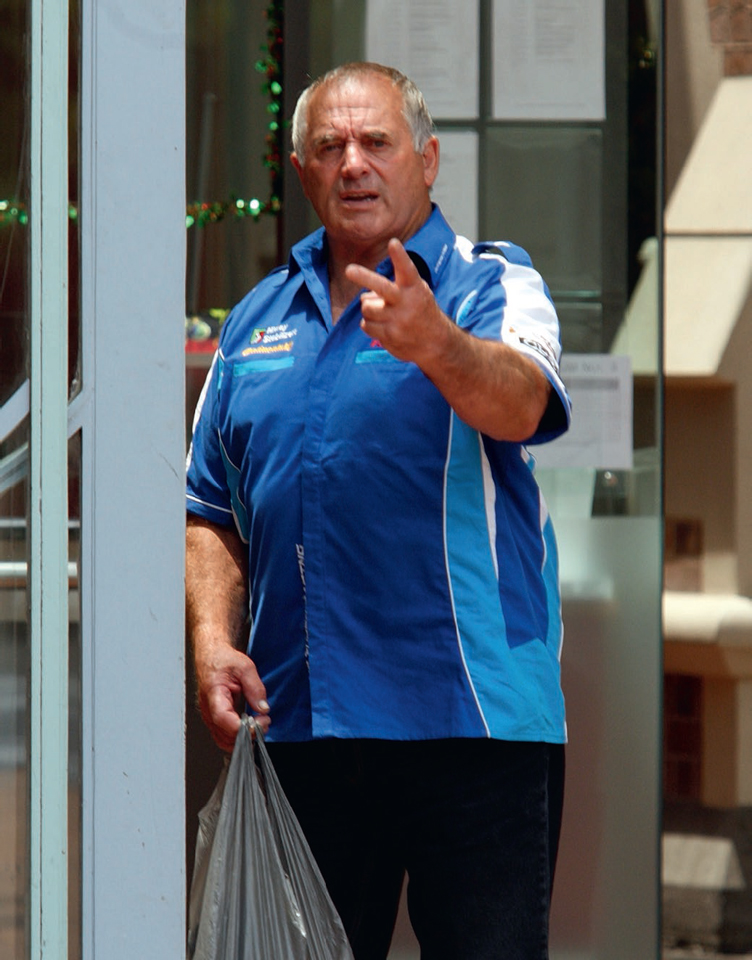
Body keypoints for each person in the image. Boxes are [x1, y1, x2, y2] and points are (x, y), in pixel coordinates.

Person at [186, 61, 571, 960]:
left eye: (377, 143)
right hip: (306, 725)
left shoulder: (491, 285)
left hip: (472, 724)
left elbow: (523, 406)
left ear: (428, 160)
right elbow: (210, 509)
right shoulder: (253, 321)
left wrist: (440, 346)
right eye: (330, 146)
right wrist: (211, 642)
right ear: (302, 170)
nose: (354, 163)